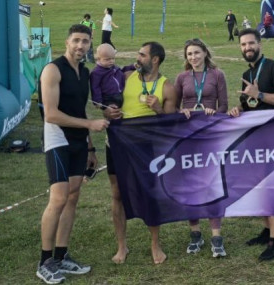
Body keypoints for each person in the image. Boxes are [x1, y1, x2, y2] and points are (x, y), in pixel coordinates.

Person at [36, 24, 109, 284]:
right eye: (76, 40)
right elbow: (51, 114)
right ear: (67, 41)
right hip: (57, 138)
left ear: (90, 45)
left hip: (79, 141)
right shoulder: (53, 70)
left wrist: (90, 146)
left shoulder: (84, 72)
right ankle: (45, 261)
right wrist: (90, 124)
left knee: (73, 197)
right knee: (58, 199)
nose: (80, 45)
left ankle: (61, 255)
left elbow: (79, 110)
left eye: (85, 41)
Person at [101, 41, 177, 265]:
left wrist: (159, 109)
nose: (138, 58)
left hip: (146, 148)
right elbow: (108, 104)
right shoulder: (126, 77)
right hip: (118, 144)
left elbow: (172, 125)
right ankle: (121, 246)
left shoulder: (167, 87)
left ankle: (155, 244)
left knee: (149, 193)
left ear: (155, 59)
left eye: (142, 55)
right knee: (117, 194)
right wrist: (108, 112)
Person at [235, 28, 274, 261]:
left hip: (272, 135)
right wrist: (238, 109)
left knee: (272, 186)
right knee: (259, 185)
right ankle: (266, 230)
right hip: (254, 137)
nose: (247, 48)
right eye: (243, 44)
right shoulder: (246, 74)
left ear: (260, 44)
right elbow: (248, 104)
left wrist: (260, 95)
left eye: (251, 43)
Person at [174, 38, 231, 257]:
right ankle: (195, 233)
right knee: (191, 185)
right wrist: (181, 111)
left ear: (205, 53)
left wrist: (214, 112)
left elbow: (224, 105)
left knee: (212, 184)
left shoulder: (217, 74)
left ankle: (217, 236)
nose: (193, 57)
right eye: (189, 54)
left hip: (210, 135)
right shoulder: (182, 77)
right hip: (189, 136)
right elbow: (174, 107)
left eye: (197, 53)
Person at [89, 44, 125, 109]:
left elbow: (122, 72)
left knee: (122, 111)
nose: (111, 61)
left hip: (119, 94)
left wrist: (131, 67)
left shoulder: (114, 68)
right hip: (108, 98)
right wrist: (97, 101)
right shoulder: (96, 72)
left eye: (113, 58)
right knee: (113, 112)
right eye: (107, 59)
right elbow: (95, 87)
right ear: (99, 59)